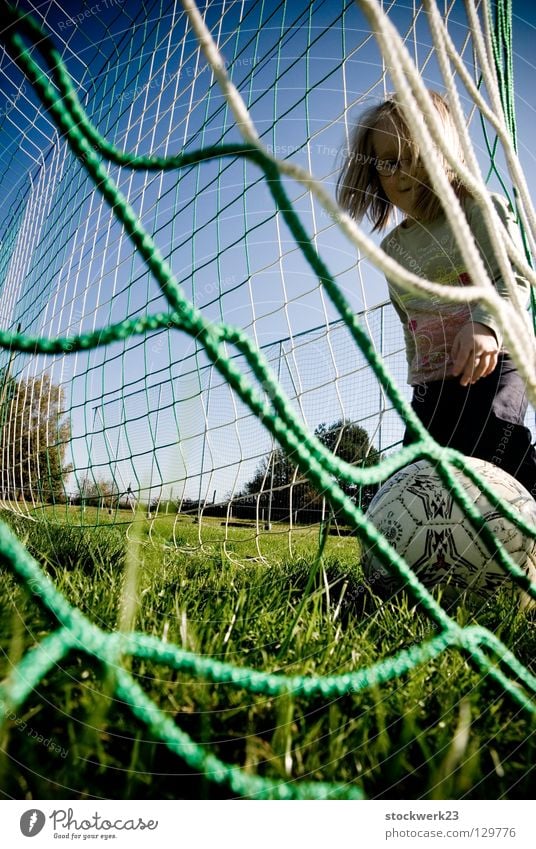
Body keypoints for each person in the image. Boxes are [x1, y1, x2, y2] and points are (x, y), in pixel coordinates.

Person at [336, 90, 536, 497]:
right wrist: (420, 375)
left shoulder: (479, 209)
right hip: (434, 384)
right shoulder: (393, 249)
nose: (402, 171)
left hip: (496, 362)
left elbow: (513, 277)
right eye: (388, 162)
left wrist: (485, 325)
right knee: (416, 478)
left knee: (493, 453)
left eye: (414, 153)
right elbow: (410, 318)